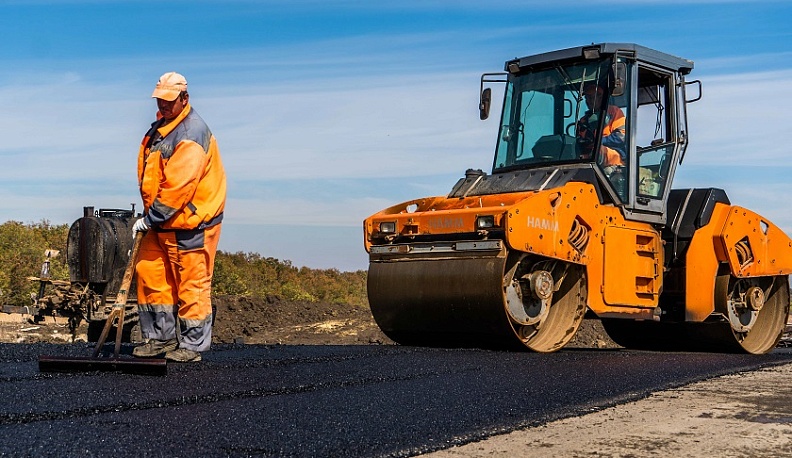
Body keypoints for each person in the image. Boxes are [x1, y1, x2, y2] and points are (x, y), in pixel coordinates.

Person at [131, 72, 227, 363]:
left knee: (191, 284)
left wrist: (151, 218)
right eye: (160, 99)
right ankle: (160, 338)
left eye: (169, 100)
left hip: (190, 224)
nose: (163, 104)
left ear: (185, 98)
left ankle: (192, 346)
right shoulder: (160, 129)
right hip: (161, 221)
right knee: (150, 274)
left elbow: (178, 187)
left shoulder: (191, 133)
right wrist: (152, 218)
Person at [576, 83, 626, 169]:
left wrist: (598, 142)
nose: (589, 101)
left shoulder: (614, 112)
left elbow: (621, 137)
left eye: (592, 97)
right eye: (587, 98)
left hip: (613, 152)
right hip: (590, 154)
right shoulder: (583, 120)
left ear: (601, 98)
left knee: (597, 153)